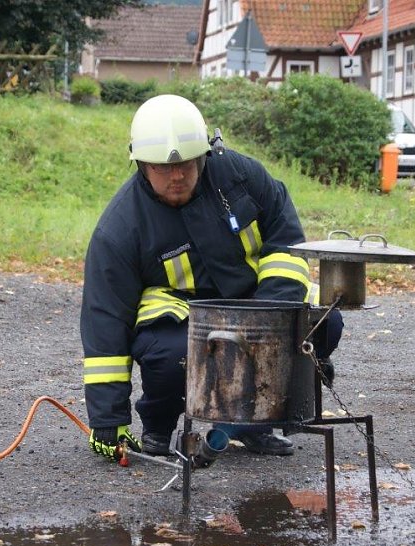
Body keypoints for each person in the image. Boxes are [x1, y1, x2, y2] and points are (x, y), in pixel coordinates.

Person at [81, 94, 342, 460]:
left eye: (188, 164)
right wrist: (108, 421)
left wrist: (269, 320)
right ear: (140, 164)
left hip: (256, 300)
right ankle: (158, 428)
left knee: (325, 323)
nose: (177, 175)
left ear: (205, 153)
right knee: (170, 356)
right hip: (184, 313)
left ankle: (255, 424)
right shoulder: (120, 227)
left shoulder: (240, 177)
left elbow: (286, 242)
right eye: (162, 168)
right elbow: (104, 319)